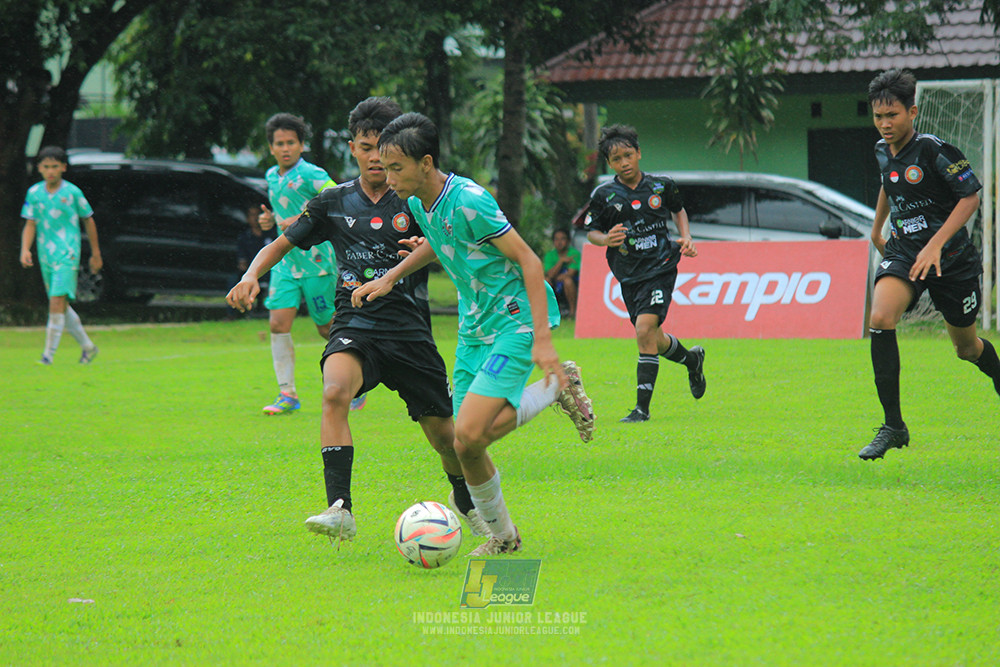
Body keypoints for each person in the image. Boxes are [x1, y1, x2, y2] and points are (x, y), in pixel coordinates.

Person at [228, 97, 486, 542]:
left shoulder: (416, 197)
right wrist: (252, 274)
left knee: (446, 439)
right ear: (353, 148)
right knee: (333, 392)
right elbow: (282, 243)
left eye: (381, 148)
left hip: (408, 332)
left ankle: (465, 499)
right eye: (365, 147)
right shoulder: (332, 201)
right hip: (356, 324)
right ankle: (340, 509)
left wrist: (397, 272)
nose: (374, 157)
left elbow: (445, 241)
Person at [352, 112, 596, 557]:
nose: (387, 178)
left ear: (426, 163)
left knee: (469, 430)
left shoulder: (471, 200)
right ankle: (503, 537)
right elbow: (438, 240)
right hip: (474, 329)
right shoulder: (416, 202)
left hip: (514, 321)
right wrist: (391, 277)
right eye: (383, 168)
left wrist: (542, 340)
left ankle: (554, 383)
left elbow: (529, 261)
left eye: (396, 168)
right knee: (464, 444)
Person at [859, 69, 1000, 460]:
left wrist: (936, 245)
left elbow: (970, 197)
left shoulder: (935, 149)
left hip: (952, 260)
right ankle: (893, 426)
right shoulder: (880, 149)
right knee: (881, 317)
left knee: (966, 348)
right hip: (905, 250)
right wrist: (877, 228)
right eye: (878, 116)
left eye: (893, 115)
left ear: (913, 112)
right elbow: (889, 182)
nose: (885, 124)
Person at [583, 124, 706, 424]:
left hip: (661, 266)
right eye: (616, 159)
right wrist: (605, 239)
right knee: (654, 338)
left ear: (639, 153)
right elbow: (591, 232)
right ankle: (692, 360)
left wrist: (685, 236)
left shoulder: (661, 186)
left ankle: (642, 409)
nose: (624, 163)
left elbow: (678, 210)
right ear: (609, 164)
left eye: (628, 155)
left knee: (643, 331)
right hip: (628, 274)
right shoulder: (603, 195)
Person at [258, 113, 365, 415]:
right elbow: (279, 215)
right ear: (271, 148)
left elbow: (336, 196)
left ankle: (356, 381)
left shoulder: (310, 173)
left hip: (317, 262)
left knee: (326, 327)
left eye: (291, 142)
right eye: (279, 143)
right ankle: (287, 394)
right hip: (285, 263)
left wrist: (304, 217)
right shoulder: (271, 176)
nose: (285, 148)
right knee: (278, 323)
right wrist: (269, 221)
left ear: (302, 145)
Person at [19, 146, 102, 365]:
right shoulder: (34, 193)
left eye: (55, 166)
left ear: (63, 168)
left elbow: (89, 219)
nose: (51, 171)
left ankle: (47, 356)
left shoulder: (72, 193)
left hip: (68, 253)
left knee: (56, 302)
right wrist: (25, 249)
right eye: (46, 167)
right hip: (46, 255)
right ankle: (88, 347)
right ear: (39, 168)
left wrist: (96, 253)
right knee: (61, 305)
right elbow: (30, 223)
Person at [543, 228, 581, 318]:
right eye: (556, 239)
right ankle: (549, 313)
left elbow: (571, 273)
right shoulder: (549, 255)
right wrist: (561, 261)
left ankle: (572, 312)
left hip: (571, 284)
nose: (559, 242)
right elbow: (549, 275)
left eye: (563, 239)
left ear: (568, 241)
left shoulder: (574, 253)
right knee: (546, 281)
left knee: (567, 280)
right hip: (555, 283)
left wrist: (554, 276)